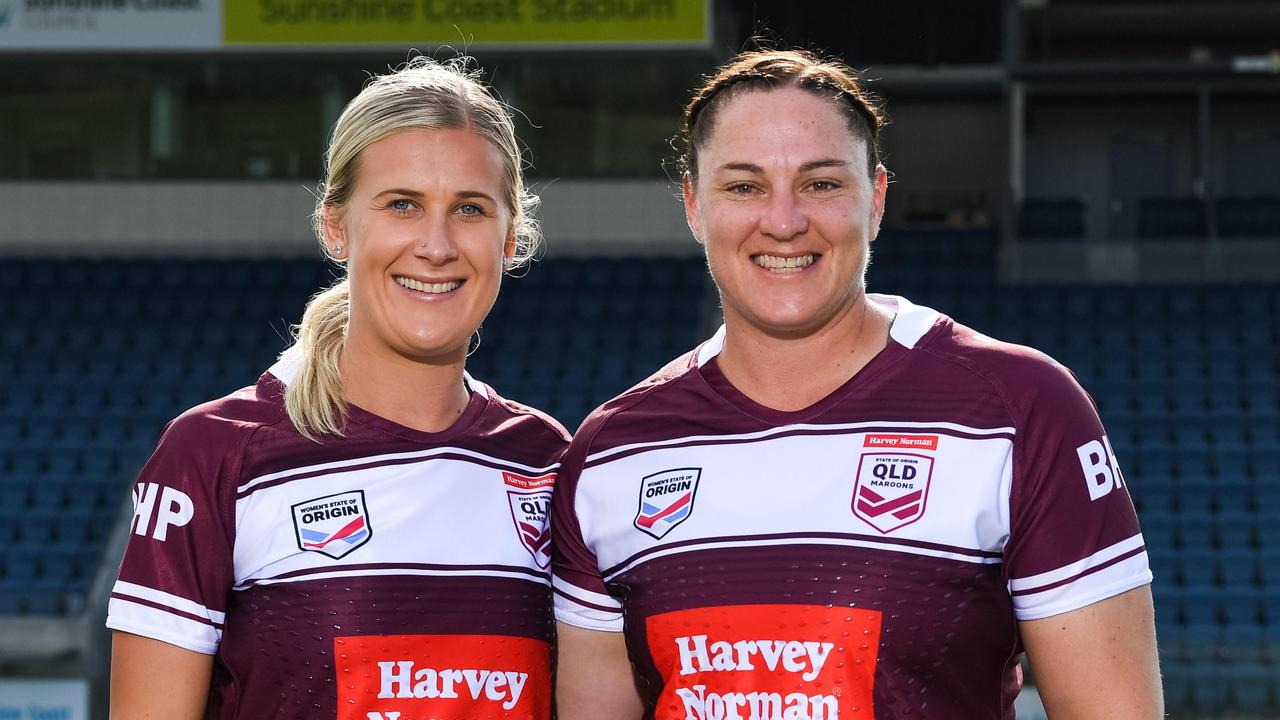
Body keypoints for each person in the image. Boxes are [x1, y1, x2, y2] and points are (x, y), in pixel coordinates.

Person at [551, 48, 1162, 719]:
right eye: (744, 186)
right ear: (695, 206)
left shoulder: (1019, 409)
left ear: (876, 200)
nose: (783, 222)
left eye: (821, 184)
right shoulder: (612, 451)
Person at [107, 56, 568, 720]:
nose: (435, 245)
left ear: (509, 239)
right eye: (402, 204)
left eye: (469, 208)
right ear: (336, 226)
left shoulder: (546, 460)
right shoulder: (213, 454)